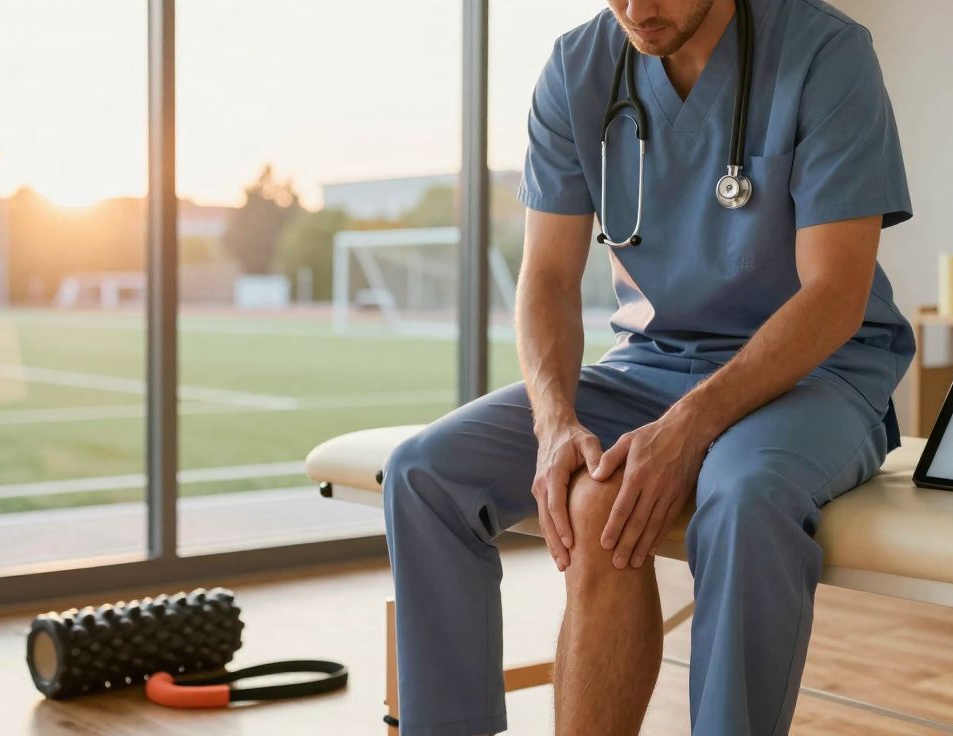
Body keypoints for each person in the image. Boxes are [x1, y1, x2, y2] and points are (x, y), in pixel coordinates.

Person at [382, 0, 913, 733]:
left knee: (744, 495)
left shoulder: (826, 53)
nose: (636, 10)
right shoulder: (578, 68)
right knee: (423, 473)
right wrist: (555, 422)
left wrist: (690, 427)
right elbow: (548, 279)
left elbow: (834, 295)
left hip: (816, 373)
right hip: (652, 363)